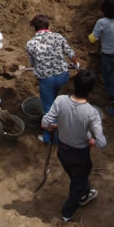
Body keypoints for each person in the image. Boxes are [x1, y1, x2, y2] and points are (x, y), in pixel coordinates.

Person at [41, 69, 106, 223]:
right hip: (79, 155)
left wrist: (54, 126)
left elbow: (45, 122)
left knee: (77, 177)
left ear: (74, 83)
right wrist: (92, 140)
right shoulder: (92, 113)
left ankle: (85, 192)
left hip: (63, 151)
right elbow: (102, 143)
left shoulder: (60, 100)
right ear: (91, 90)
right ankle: (67, 213)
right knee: (77, 182)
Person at [26, 14, 79, 144]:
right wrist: (76, 64)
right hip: (62, 76)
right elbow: (70, 53)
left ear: (35, 28)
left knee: (49, 109)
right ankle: (65, 132)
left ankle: (50, 138)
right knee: (62, 104)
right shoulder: (58, 37)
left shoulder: (30, 44)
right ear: (48, 26)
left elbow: (33, 64)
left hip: (46, 79)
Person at [87, 0, 114, 117]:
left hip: (109, 56)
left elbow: (93, 38)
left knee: (109, 81)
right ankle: (109, 69)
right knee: (110, 68)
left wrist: (90, 35)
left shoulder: (101, 22)